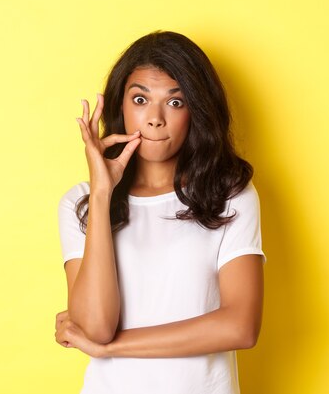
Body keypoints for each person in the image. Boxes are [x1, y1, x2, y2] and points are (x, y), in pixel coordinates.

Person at [55, 30, 265, 394]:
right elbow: (95, 327)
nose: (154, 119)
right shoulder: (82, 204)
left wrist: (113, 348)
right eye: (140, 99)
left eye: (175, 102)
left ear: (196, 111)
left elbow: (241, 326)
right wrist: (102, 194)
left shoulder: (228, 195)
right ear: (121, 106)